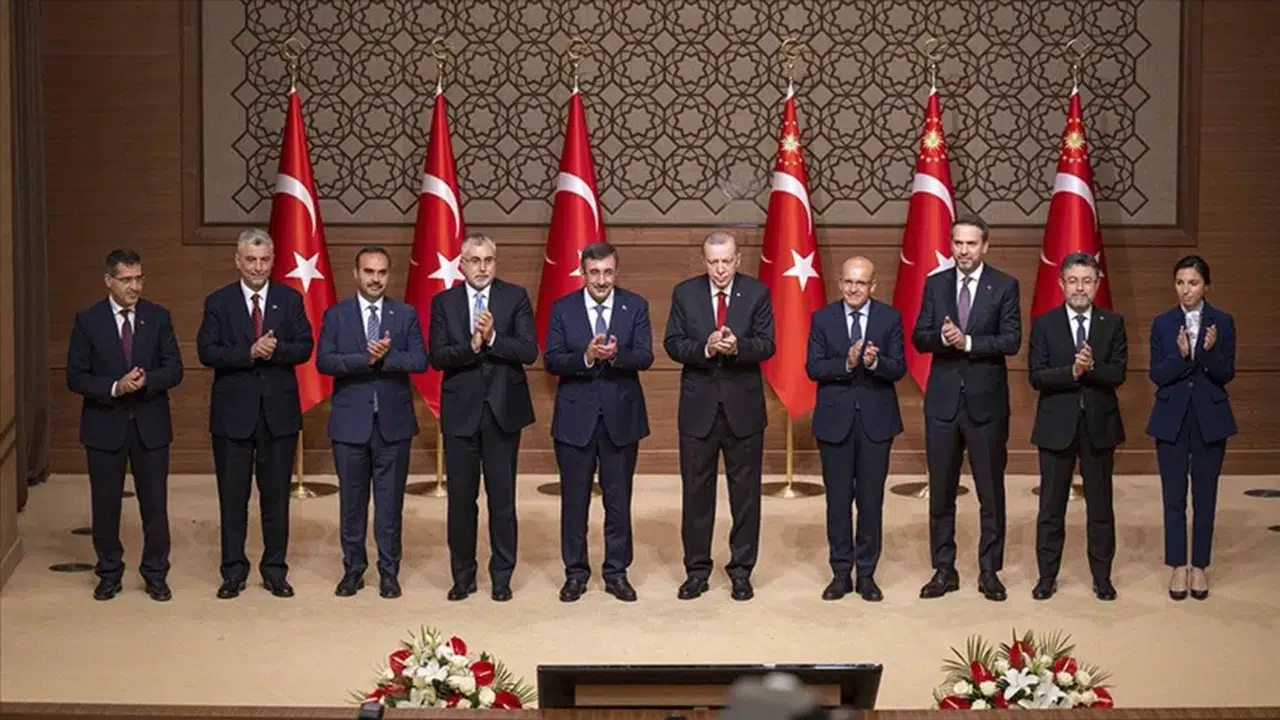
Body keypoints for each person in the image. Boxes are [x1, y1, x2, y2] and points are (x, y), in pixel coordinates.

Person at [196, 228, 313, 600]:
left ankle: (275, 571)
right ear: (238, 261)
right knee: (233, 499)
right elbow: (207, 352)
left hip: (278, 416)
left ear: (273, 260)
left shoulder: (289, 299)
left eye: (264, 260)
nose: (258, 267)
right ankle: (233, 571)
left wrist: (273, 351)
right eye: (251, 260)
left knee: (276, 499)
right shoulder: (219, 302)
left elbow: (304, 347)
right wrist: (249, 352)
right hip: (232, 418)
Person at [912, 213, 1021, 602]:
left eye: (971, 243)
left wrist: (969, 343)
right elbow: (919, 336)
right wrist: (943, 340)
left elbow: (1011, 340)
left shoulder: (1004, 285)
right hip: (942, 404)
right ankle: (944, 569)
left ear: (985, 246)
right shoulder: (935, 283)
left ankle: (989, 570)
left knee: (990, 492)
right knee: (941, 491)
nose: (964, 250)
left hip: (986, 405)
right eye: (958, 243)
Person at [664, 231, 776, 601]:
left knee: (745, 497)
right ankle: (697, 571)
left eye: (726, 261)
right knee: (697, 495)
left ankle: (741, 571)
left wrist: (738, 347)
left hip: (744, 410)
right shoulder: (685, 293)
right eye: (713, 262)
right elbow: (673, 343)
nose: (720, 269)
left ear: (738, 259)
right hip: (698, 411)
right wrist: (707, 348)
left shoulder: (757, 293)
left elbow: (767, 344)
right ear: (704, 262)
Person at [66, 249, 183, 601]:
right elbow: (75, 377)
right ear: (109, 281)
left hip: (151, 426)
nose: (135, 287)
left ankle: (156, 573)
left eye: (139, 279)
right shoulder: (88, 321)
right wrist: (116, 387)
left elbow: (174, 368)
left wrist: (147, 380)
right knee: (105, 506)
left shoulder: (158, 317)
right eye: (127, 280)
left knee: (155, 506)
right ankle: (109, 572)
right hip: (105, 426)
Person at [428, 232, 538, 602]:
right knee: (461, 501)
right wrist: (472, 346)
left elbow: (528, 350)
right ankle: (463, 577)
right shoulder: (444, 302)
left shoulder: (515, 297)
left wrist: (492, 339)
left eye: (488, 260)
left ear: (495, 262)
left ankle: (502, 577)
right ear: (461, 264)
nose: (482, 267)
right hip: (461, 414)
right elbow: (438, 356)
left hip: (503, 413)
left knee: (502, 500)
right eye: (474, 260)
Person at [544, 242, 653, 603]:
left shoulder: (635, 305)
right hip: (575, 421)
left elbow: (646, 356)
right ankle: (575, 574)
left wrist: (617, 355)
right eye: (594, 272)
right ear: (583, 272)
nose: (602, 280)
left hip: (621, 419)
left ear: (616, 271)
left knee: (618, 501)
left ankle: (616, 572)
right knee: (575, 503)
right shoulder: (563, 308)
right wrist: (587, 356)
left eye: (607, 272)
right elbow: (552, 360)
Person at [316, 246, 428, 599]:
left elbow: (420, 360)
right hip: (350, 426)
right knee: (352, 504)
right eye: (369, 271)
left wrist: (386, 358)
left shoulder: (405, 314)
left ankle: (389, 572)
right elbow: (324, 361)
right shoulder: (337, 315)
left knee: (389, 505)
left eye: (381, 272)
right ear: (356, 274)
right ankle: (353, 570)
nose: (375, 278)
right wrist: (363, 359)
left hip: (393, 425)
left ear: (388, 275)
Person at [805, 256, 905, 602]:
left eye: (860, 283)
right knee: (837, 502)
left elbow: (899, 368)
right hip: (834, 423)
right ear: (840, 283)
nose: (853, 289)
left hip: (876, 423)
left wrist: (875, 362)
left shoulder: (890, 318)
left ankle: (866, 574)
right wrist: (846, 363)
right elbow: (813, 368)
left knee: (870, 501)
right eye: (848, 282)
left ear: (872, 285)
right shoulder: (823, 318)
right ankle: (840, 573)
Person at [1028, 252, 1126, 602]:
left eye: (1087, 281)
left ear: (1097, 284)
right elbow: (1037, 376)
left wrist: (1091, 367)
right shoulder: (1045, 323)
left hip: (1099, 425)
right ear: (1061, 284)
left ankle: (1102, 578)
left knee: (1100, 507)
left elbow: (1118, 373)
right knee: (1051, 508)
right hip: (1056, 426)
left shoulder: (1112, 322)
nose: (1080, 288)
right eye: (1073, 281)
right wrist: (1072, 372)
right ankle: (1046, 577)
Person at [1147, 255, 1236, 601]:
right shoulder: (1162, 323)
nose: (1186, 290)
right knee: (1173, 496)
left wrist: (1208, 352)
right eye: (1180, 283)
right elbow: (1157, 374)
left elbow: (1226, 374)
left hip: (1210, 419)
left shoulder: (1223, 322)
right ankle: (1177, 566)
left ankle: (1199, 565)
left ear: (1206, 286)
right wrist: (1181, 355)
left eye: (1193, 283)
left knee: (1205, 495)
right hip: (1171, 418)